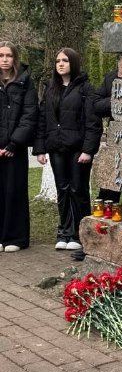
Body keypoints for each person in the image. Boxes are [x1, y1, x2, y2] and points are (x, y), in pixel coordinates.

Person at [33, 48, 102, 255]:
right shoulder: (50, 88)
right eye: (57, 61)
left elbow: (93, 121)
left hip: (77, 149)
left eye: (65, 60)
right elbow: (42, 120)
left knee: (78, 189)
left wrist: (88, 150)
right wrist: (40, 149)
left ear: (74, 62)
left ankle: (80, 235)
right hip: (56, 147)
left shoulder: (85, 88)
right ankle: (64, 232)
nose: (60, 64)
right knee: (62, 189)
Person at [0, 42, 38, 253]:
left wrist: (14, 143)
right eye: (1, 55)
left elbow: (29, 115)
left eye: (9, 55)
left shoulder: (25, 82)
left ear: (15, 58)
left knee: (15, 191)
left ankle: (16, 237)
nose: (5, 59)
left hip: (16, 148)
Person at [93, 69, 120, 204]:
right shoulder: (112, 77)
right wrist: (117, 99)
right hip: (117, 137)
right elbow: (96, 105)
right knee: (110, 182)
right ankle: (107, 211)